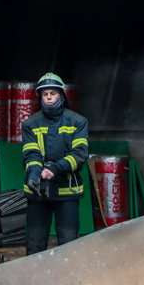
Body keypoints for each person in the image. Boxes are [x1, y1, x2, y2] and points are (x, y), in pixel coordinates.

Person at [21, 72, 89, 255]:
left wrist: (55, 168)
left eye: (53, 93)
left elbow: (80, 155)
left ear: (61, 95)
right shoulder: (30, 124)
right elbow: (31, 153)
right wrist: (34, 173)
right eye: (45, 94)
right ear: (40, 97)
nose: (49, 97)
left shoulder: (77, 122)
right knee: (35, 245)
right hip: (39, 192)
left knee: (69, 245)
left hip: (67, 192)